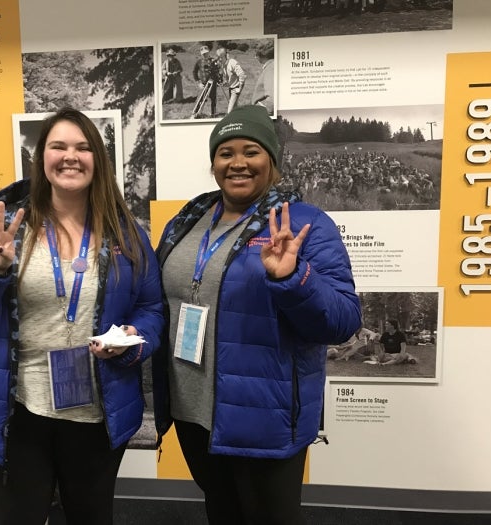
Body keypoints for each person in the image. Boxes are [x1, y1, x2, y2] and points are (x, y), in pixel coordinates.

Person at [0, 107, 164, 525]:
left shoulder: (126, 233)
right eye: (58, 146)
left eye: (82, 147)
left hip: (97, 411)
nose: (70, 156)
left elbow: (151, 308)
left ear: (97, 158)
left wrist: (134, 338)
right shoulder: (1, 229)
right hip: (19, 413)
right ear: (41, 157)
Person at [153, 105, 362, 525]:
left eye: (251, 151)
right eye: (226, 152)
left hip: (264, 415)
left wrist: (294, 278)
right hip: (193, 411)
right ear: (213, 163)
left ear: (272, 160)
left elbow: (343, 320)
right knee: (223, 513)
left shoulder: (305, 223)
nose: (238, 163)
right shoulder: (188, 220)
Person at [192, 45, 221, 116]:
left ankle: (213, 113)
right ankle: (196, 112)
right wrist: (198, 82)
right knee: (201, 99)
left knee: (213, 98)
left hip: (213, 83)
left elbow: (218, 71)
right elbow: (194, 71)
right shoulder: (199, 61)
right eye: (203, 53)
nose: (205, 55)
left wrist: (218, 80)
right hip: (203, 83)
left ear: (209, 52)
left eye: (206, 53)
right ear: (201, 54)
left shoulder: (213, 60)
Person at [216, 47, 246, 113]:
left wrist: (240, 88)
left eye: (221, 57)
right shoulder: (223, 65)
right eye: (218, 57)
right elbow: (230, 78)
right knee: (235, 110)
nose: (220, 59)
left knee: (230, 111)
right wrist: (226, 83)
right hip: (231, 88)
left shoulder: (232, 62)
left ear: (226, 56)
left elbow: (242, 75)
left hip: (236, 89)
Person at [251, 41, 275, 116]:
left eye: (256, 55)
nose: (255, 57)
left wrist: (265, 115)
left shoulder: (270, 68)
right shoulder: (272, 66)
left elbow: (272, 99)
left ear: (261, 56)